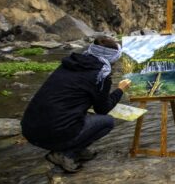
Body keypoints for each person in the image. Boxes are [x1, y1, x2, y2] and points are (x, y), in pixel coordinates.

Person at [21, 36, 132, 172]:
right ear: (113, 58)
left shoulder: (70, 63)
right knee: (107, 121)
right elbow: (102, 109)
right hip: (52, 133)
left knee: (81, 114)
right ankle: (66, 153)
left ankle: (77, 150)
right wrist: (120, 90)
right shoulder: (100, 75)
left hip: (29, 130)